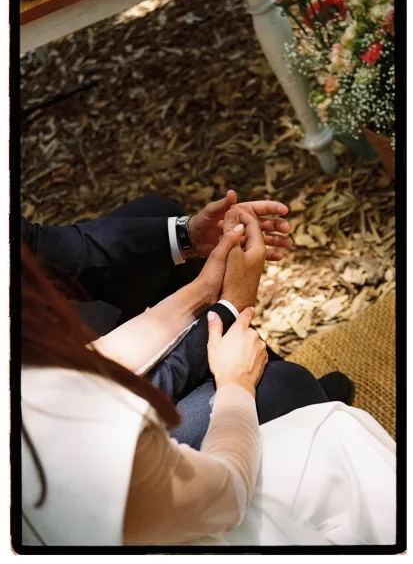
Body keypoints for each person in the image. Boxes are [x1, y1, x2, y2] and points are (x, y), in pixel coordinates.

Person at [20, 208, 395, 547]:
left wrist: (204, 293)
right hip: (188, 515)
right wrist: (235, 385)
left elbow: (94, 361)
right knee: (318, 416)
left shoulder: (29, 379)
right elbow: (226, 495)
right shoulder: (64, 445)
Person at [20, 191, 354, 450]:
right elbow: (98, 399)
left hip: (64, 368)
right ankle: (280, 399)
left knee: (155, 216)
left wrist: (187, 239)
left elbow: (33, 244)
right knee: (286, 388)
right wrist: (229, 310)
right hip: (76, 439)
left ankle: (249, 370)